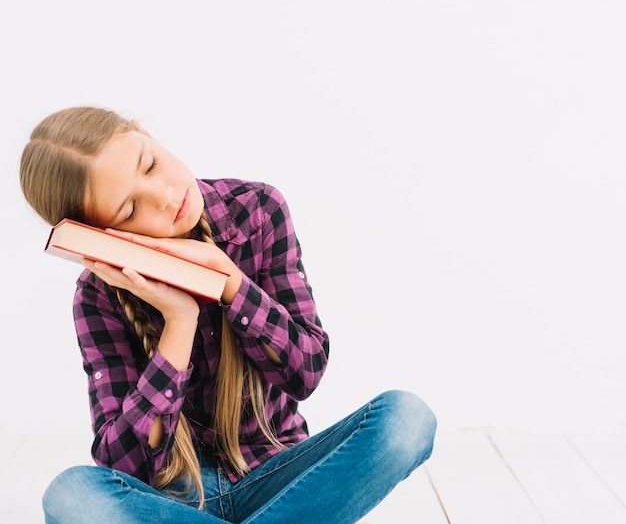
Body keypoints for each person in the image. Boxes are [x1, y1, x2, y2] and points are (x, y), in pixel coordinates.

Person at [19, 105, 437, 524]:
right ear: (99, 238)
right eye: (130, 211)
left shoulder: (257, 211)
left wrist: (230, 283)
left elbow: (305, 371)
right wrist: (179, 322)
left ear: (146, 133)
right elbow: (126, 467)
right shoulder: (97, 298)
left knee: (407, 419)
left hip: (280, 475)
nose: (165, 196)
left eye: (150, 165)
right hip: (176, 500)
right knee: (71, 495)